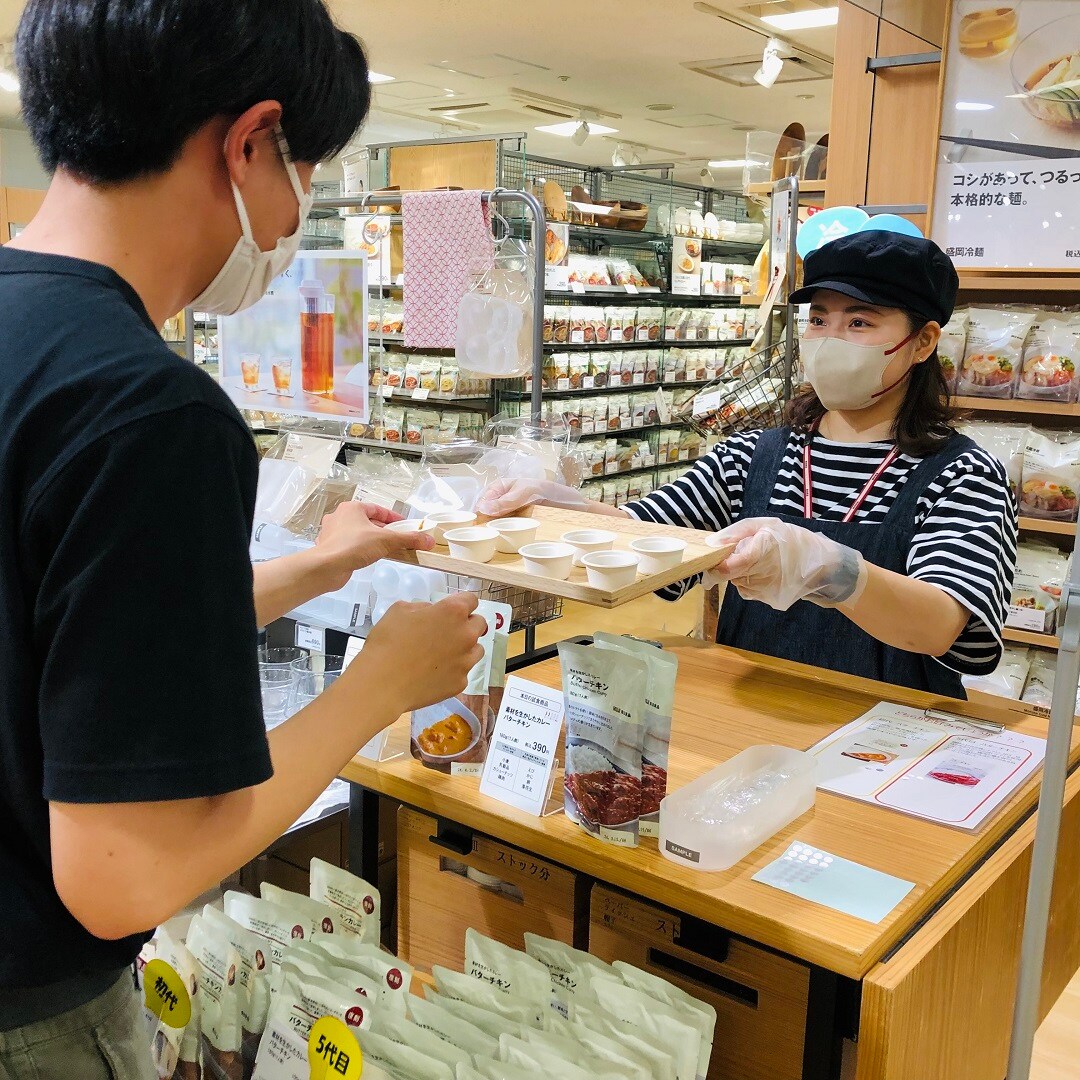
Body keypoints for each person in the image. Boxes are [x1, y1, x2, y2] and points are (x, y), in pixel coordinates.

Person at [0, 1, 485, 1075]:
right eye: (306, 166)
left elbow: (55, 633)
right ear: (252, 140)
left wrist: (315, 567)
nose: (296, 206)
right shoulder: (147, 411)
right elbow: (126, 872)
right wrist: (375, 688)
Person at [480, 232, 1017, 697]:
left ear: (921, 341)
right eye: (819, 319)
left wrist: (833, 569)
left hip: (888, 739)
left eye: (859, 322)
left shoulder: (961, 474)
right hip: (750, 711)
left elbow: (940, 624)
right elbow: (653, 538)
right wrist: (566, 512)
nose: (830, 341)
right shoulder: (754, 453)